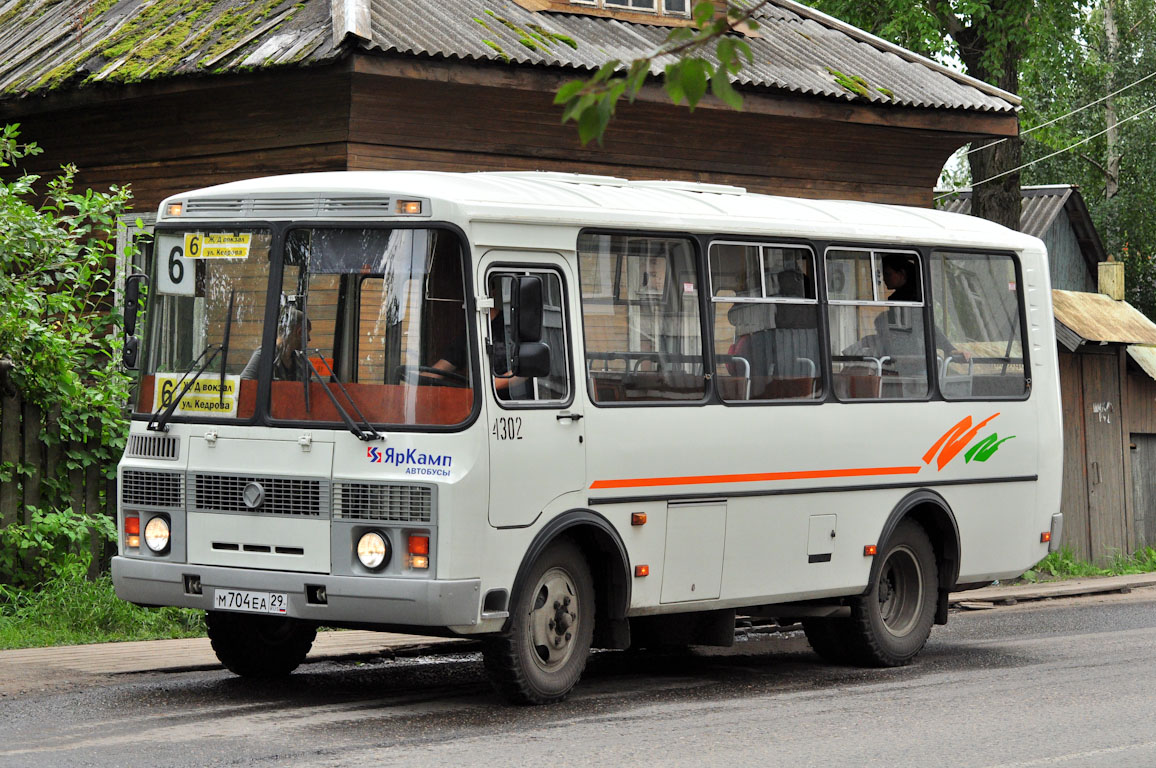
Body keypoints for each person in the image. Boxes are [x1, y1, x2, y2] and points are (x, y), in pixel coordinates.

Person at [240, 307, 311, 381]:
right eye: (307, 334)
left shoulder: (303, 362)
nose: (309, 339)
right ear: (299, 332)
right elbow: (244, 385)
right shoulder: (265, 355)